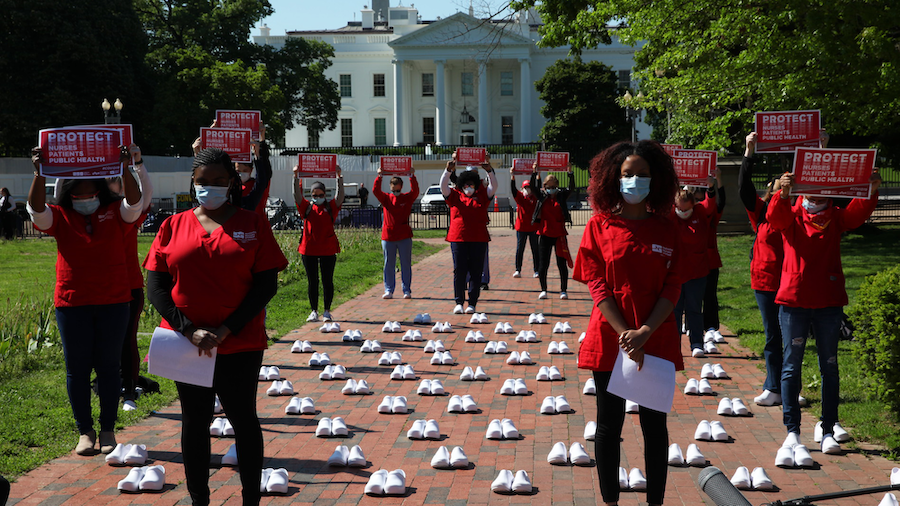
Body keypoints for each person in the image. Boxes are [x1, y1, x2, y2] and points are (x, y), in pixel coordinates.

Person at [144, 148, 287, 506]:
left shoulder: (252, 224)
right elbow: (156, 286)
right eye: (203, 182)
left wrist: (226, 330)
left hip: (239, 343)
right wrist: (189, 329)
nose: (210, 188)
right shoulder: (172, 225)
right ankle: (199, 500)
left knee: (243, 420)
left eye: (219, 182)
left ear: (232, 183)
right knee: (195, 421)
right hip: (185, 344)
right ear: (193, 183)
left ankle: (250, 499)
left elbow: (265, 285)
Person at [574, 140, 681, 506]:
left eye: (643, 175)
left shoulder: (668, 230)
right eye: (627, 174)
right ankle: (610, 501)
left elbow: (674, 285)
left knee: (654, 427)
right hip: (610, 339)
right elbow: (597, 284)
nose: (635, 180)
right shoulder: (598, 227)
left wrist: (646, 332)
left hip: (656, 338)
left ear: (657, 180)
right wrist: (625, 334)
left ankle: (655, 502)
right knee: (608, 424)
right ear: (613, 180)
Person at [27, 144, 144, 455]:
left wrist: (124, 167)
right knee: (76, 370)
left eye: (90, 194)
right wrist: (40, 173)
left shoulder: (115, 213)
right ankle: (85, 431)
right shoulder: (59, 216)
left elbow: (134, 202)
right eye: (77, 196)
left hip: (114, 302)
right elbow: (36, 211)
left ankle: (107, 430)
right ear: (67, 195)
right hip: (72, 303)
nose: (85, 200)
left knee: (108, 367)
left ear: (101, 192)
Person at [767, 166, 881, 456]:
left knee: (829, 367)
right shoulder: (792, 214)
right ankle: (792, 432)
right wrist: (782, 191)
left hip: (828, 303)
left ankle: (828, 428)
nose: (816, 192)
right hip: (794, 302)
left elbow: (857, 214)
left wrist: (870, 187)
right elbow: (774, 218)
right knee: (791, 367)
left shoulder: (836, 217)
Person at [106, 151, 154, 411]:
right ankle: (110, 386)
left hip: (129, 287)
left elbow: (146, 192)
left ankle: (129, 391)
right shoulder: (95, 212)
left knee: (127, 340)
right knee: (103, 343)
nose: (119, 185)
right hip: (101, 288)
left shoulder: (128, 213)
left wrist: (137, 165)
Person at [441, 154, 496, 314]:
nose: (469, 187)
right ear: (461, 185)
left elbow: (494, 186)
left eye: (472, 185)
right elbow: (443, 186)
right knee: (459, 270)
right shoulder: (455, 196)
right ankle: (459, 301)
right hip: (458, 238)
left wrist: (490, 171)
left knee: (476, 271)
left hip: (478, 239)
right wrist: (448, 171)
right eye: (466, 185)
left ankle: (472, 303)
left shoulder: (482, 196)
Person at [671, 177, 717, 358]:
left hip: (696, 272)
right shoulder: (669, 214)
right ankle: (673, 345)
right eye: (679, 209)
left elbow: (711, 203)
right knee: (673, 310)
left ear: (693, 205)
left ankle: (697, 343)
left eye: (686, 209)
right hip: (675, 272)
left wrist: (712, 186)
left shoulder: (700, 212)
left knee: (694, 309)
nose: (682, 212)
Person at [293, 166, 344, 322]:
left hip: (328, 250)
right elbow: (296, 195)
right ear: (311, 195)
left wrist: (339, 177)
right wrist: (296, 177)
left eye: (321, 195)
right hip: (309, 250)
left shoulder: (331, 207)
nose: (318, 197)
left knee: (327, 280)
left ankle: (327, 311)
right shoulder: (306, 208)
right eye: (315, 195)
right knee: (312, 281)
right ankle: (314, 310)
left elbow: (340, 196)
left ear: (325, 194)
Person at [372, 167, 419, 299]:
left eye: (398, 190)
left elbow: (415, 191)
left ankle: (406, 290)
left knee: (405, 264)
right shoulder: (386, 198)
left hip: (404, 236)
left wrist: (412, 176)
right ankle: (389, 289)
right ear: (390, 188)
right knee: (388, 264)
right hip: (388, 236)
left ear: (401, 187)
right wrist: (379, 177)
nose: (396, 192)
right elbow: (375, 191)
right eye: (393, 190)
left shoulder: (406, 198)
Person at [530, 164, 575, 300]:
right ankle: (544, 289)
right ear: (544, 187)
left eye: (553, 186)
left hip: (559, 234)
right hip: (544, 233)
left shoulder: (561, 196)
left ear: (557, 185)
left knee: (561, 263)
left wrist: (570, 173)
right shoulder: (542, 196)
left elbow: (571, 188)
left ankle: (563, 290)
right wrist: (534, 172)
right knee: (543, 264)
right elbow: (533, 187)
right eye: (548, 187)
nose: (551, 189)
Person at [701, 168, 726, 338]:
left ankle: (711, 326)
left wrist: (718, 180)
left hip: (709, 261)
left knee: (710, 295)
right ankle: (691, 325)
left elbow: (721, 201)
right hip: (690, 261)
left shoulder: (711, 215)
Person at [238, 130, 272, 219]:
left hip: (258, 226)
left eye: (245, 170)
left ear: (251, 169)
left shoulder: (257, 185)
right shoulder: (232, 187)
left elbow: (265, 171)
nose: (241, 174)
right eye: (238, 171)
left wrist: (261, 143)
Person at [511, 175, 540, 279]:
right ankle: (518, 269)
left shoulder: (535, 198)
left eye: (529, 187)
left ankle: (536, 270)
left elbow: (538, 187)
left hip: (533, 228)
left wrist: (537, 177)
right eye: (525, 187)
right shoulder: (520, 197)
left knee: (535, 249)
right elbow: (513, 190)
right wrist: (512, 178)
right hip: (521, 228)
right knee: (520, 249)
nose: (527, 189)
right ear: (522, 188)